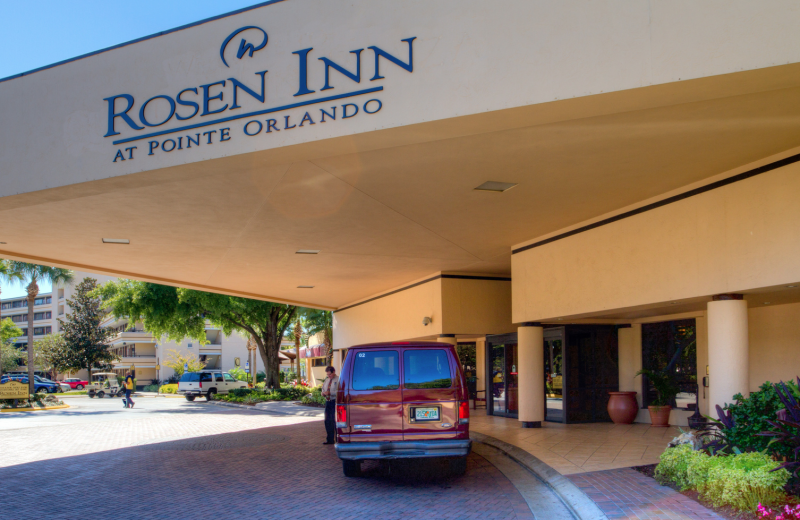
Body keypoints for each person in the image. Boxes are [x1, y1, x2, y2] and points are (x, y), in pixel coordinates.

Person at [321, 366, 339, 445]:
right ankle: (330, 439)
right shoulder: (326, 380)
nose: (329, 376)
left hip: (334, 402)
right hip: (328, 402)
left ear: (334, 372)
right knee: (327, 421)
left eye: (330, 374)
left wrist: (331, 393)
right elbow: (323, 389)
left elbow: (340, 391)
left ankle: (338, 439)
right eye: (327, 375)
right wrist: (323, 393)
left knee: (335, 421)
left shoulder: (338, 380)